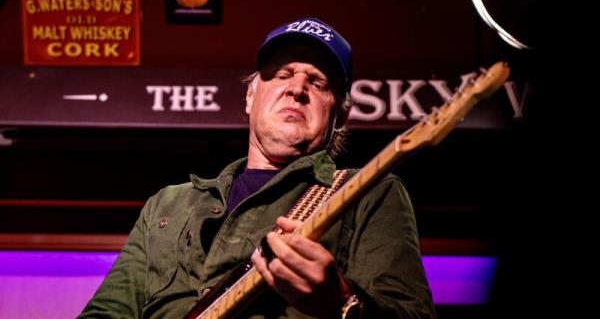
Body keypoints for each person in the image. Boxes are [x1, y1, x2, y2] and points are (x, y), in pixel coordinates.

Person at [78, 17, 435, 319]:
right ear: (250, 96)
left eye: (318, 82)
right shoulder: (168, 205)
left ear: (340, 114)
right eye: (281, 74)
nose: (297, 88)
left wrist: (340, 300)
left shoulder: (370, 192)